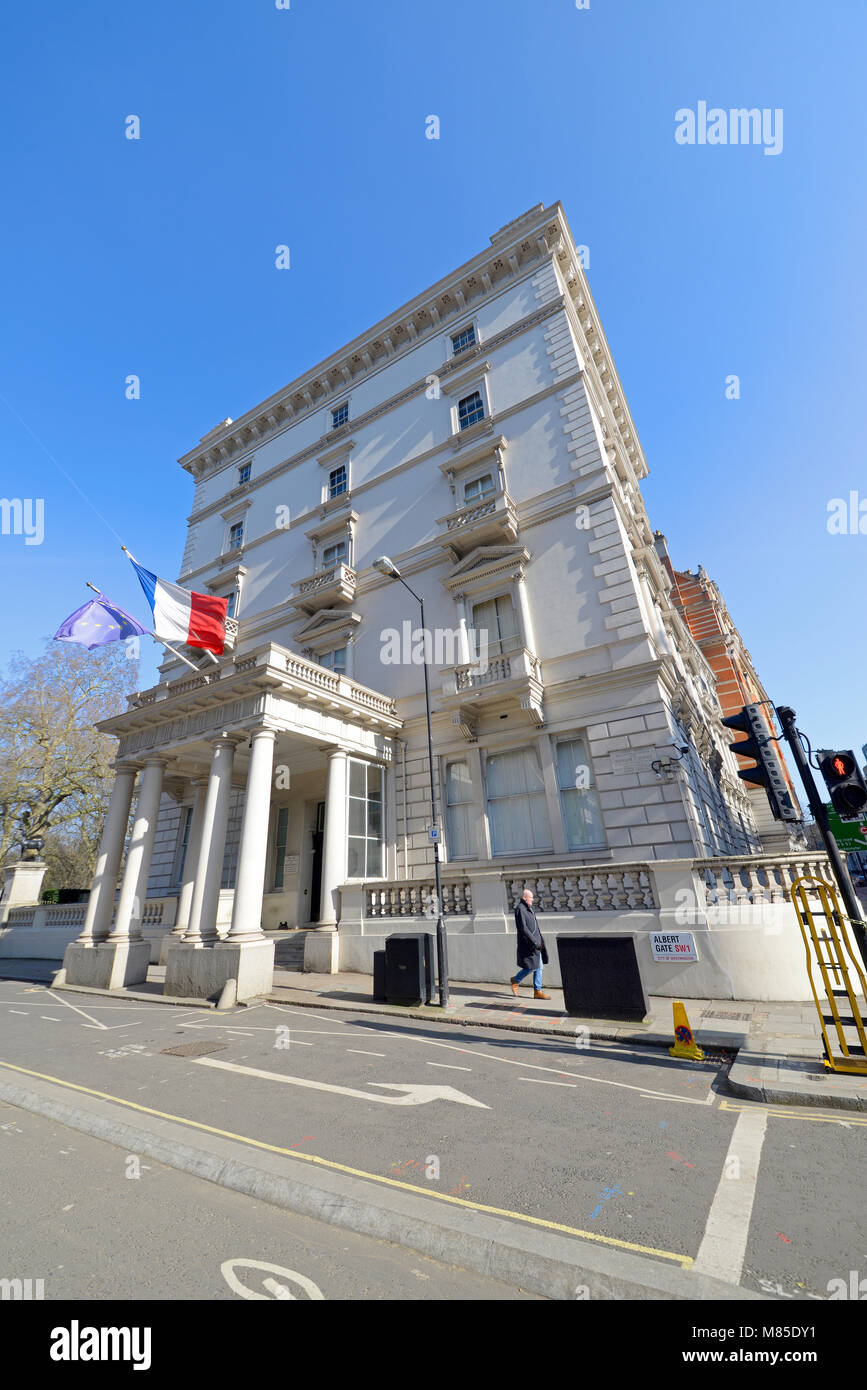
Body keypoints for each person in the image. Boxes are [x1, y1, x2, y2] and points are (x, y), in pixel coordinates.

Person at [511, 888, 550, 999]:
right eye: (531, 898)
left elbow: (535, 927)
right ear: (524, 898)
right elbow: (523, 928)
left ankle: (538, 991)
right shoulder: (520, 909)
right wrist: (534, 941)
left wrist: (540, 940)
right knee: (531, 967)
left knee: (539, 966)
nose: (532, 899)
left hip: (537, 943)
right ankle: (516, 980)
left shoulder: (530, 909)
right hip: (529, 944)